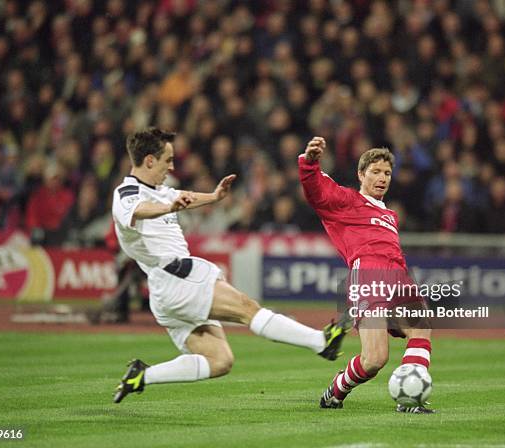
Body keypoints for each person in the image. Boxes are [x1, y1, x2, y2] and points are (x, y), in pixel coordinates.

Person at [111, 128, 350, 404]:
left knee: (219, 360)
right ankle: (321, 342)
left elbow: (180, 195)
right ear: (149, 160)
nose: (172, 166)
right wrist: (170, 208)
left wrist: (213, 197)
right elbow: (138, 209)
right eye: (168, 160)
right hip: (175, 276)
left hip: (166, 290)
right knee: (248, 309)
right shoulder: (127, 192)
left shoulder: (161, 191)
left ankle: (141, 376)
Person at [298, 136, 434, 413]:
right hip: (369, 276)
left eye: (387, 173)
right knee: (374, 359)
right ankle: (336, 390)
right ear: (361, 174)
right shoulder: (347, 201)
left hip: (398, 275)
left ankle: (409, 398)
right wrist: (310, 163)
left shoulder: (390, 214)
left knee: (421, 326)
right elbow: (316, 191)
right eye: (375, 172)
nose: (382, 178)